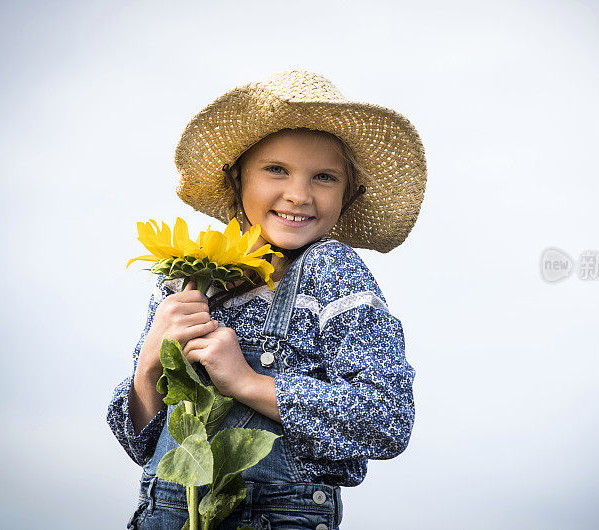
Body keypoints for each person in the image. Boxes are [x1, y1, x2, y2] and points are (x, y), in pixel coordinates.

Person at [107, 69, 427, 530]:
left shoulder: (331, 271)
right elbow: (142, 447)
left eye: (324, 177)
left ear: (348, 194)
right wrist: (149, 365)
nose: (298, 195)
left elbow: (386, 416)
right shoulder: (190, 278)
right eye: (276, 169)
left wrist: (246, 382)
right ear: (237, 176)